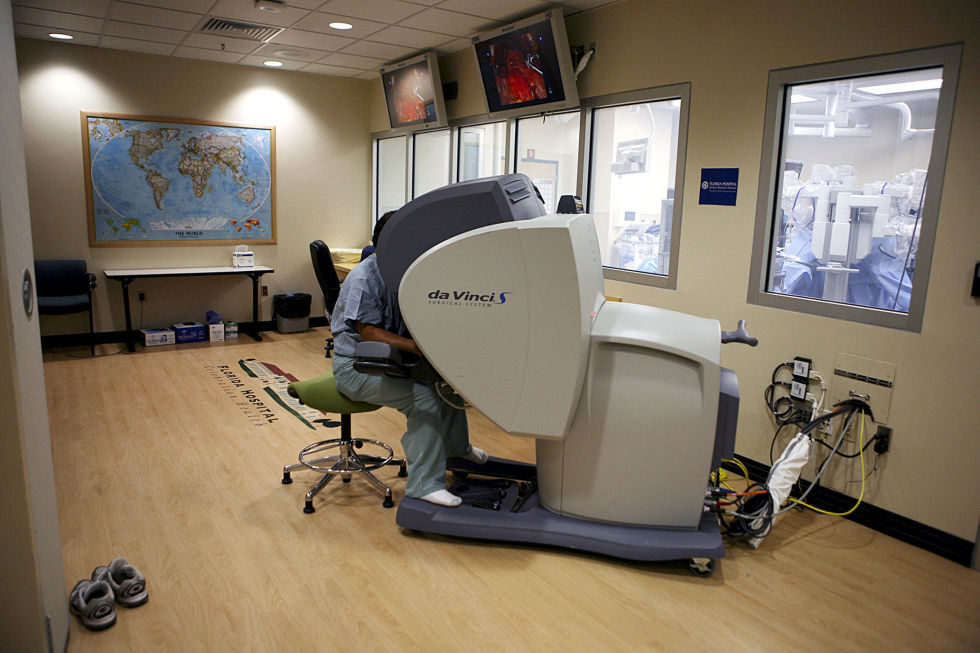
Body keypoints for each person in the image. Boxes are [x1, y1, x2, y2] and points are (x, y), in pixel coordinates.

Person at [329, 211, 488, 507]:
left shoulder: (405, 274)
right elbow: (370, 335)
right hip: (356, 367)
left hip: (390, 361)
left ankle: (457, 449)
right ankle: (423, 485)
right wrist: (418, 347)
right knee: (424, 398)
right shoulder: (364, 278)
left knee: (445, 385)